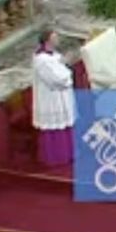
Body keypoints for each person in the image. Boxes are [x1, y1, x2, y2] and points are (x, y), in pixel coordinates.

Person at [31, 29, 76, 166]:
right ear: (47, 40)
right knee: (55, 129)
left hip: (61, 97)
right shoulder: (41, 60)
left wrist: (65, 65)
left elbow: (60, 66)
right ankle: (56, 157)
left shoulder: (54, 55)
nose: (58, 40)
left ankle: (70, 153)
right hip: (51, 99)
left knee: (65, 125)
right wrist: (68, 73)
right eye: (55, 37)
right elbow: (57, 79)